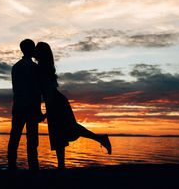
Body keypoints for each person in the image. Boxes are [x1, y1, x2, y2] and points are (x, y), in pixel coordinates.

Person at [34, 41, 111, 170]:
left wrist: (48, 110)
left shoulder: (41, 68)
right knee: (64, 131)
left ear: (40, 53)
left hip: (55, 101)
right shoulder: (47, 66)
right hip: (57, 100)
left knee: (62, 132)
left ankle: (62, 165)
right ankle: (99, 139)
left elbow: (47, 89)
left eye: (37, 50)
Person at [7, 39, 45, 171]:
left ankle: (11, 166)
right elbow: (35, 91)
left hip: (18, 106)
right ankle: (33, 168)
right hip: (31, 107)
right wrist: (39, 110)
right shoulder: (34, 68)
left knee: (14, 138)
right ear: (31, 49)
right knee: (32, 141)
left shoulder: (15, 67)